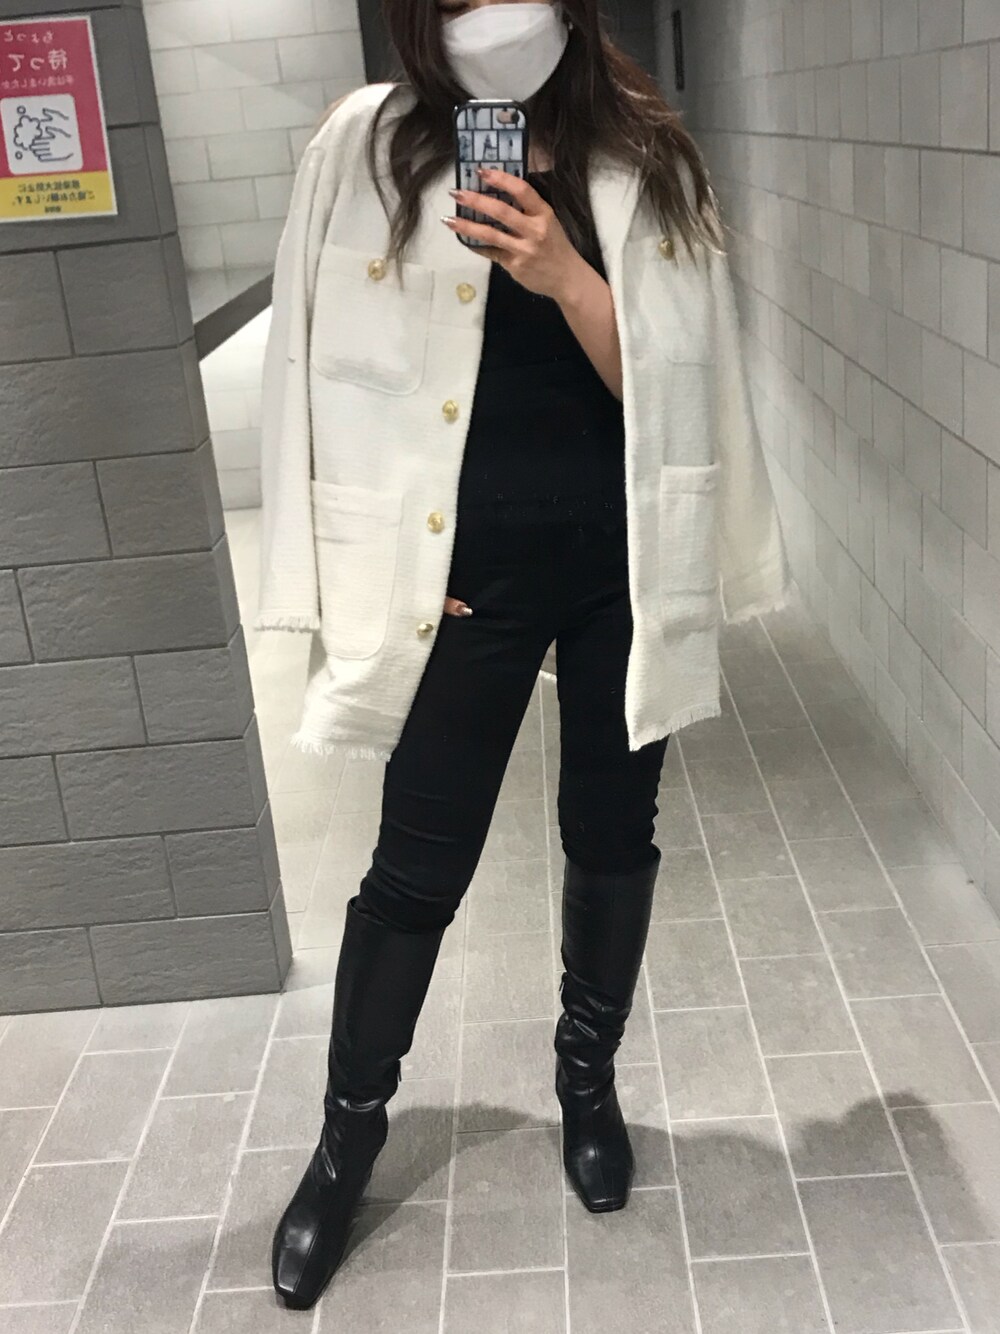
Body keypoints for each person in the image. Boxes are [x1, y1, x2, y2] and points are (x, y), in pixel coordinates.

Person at [256, 0, 791, 1311]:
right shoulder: (365, 148)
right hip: (458, 586)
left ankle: (586, 1082)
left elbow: (676, 389)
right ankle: (346, 1139)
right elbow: (307, 373)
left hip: (618, 569)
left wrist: (562, 272)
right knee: (415, 867)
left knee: (613, 835)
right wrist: (358, 571)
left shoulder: (645, 151)